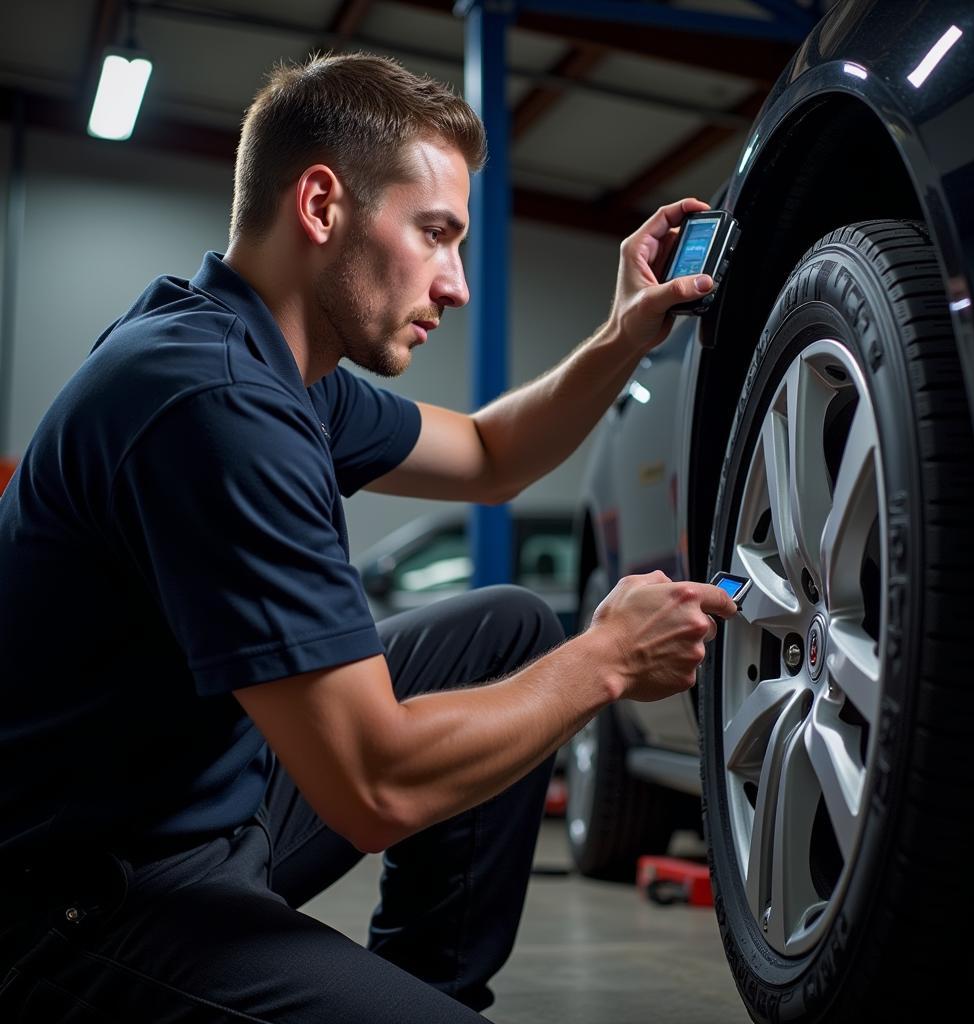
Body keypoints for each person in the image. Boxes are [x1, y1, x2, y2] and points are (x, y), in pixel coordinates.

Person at [0, 53, 736, 1022]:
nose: (457, 284)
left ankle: (428, 993)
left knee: (506, 629)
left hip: (206, 810)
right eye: (434, 234)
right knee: (531, 668)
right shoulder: (212, 402)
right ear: (320, 205)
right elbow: (372, 787)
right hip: (77, 906)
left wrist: (623, 334)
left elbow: (486, 455)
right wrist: (606, 658)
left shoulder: (268, 361)